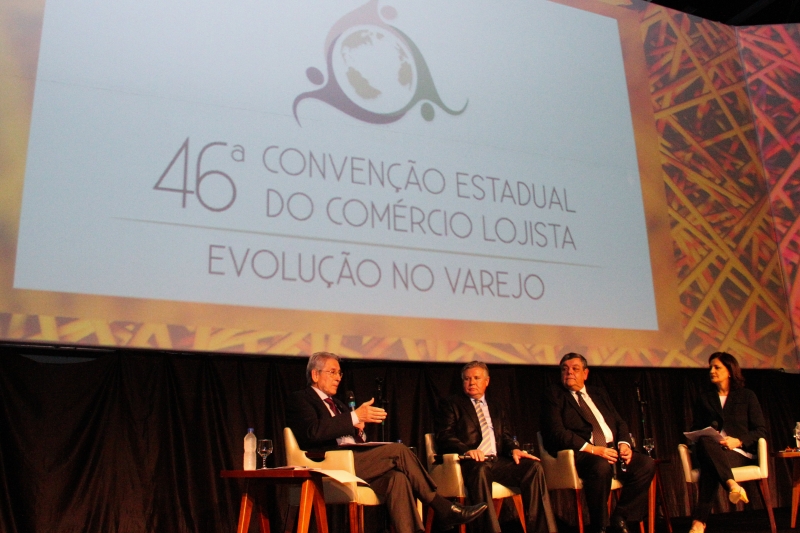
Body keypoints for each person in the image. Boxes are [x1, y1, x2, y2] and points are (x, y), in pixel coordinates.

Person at [286, 352, 487, 533]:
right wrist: (354, 417)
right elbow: (312, 433)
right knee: (398, 451)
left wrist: (359, 431)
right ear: (315, 375)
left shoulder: (338, 404)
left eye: (340, 373)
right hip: (328, 464)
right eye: (332, 372)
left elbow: (347, 434)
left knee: (397, 478)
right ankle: (443, 507)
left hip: (352, 460)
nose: (338, 377)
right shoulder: (301, 399)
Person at [435, 361, 557, 533]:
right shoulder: (451, 404)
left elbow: (505, 436)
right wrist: (466, 450)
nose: (472, 383)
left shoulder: (496, 406)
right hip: (471, 462)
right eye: (467, 379)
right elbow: (444, 435)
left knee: (533, 468)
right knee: (481, 469)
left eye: (476, 378)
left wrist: (514, 449)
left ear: (487, 381)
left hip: (497, 461)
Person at [540, 353, 655, 533]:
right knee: (601, 466)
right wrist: (594, 450)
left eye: (575, 369)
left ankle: (620, 516)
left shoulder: (598, 393)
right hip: (581, 453)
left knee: (646, 464)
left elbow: (619, 422)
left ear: (586, 373)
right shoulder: (554, 394)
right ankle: (599, 527)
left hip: (612, 450)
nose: (569, 372)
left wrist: (624, 444)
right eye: (564, 369)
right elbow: (556, 433)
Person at [686, 352, 766, 533]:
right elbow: (696, 428)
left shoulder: (747, 396)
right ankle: (732, 485)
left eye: (717, 367)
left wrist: (738, 441)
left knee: (710, 467)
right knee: (707, 443)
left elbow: (760, 430)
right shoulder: (705, 398)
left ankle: (699, 522)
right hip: (710, 449)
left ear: (730, 370)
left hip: (738, 453)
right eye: (710, 368)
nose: (712, 371)